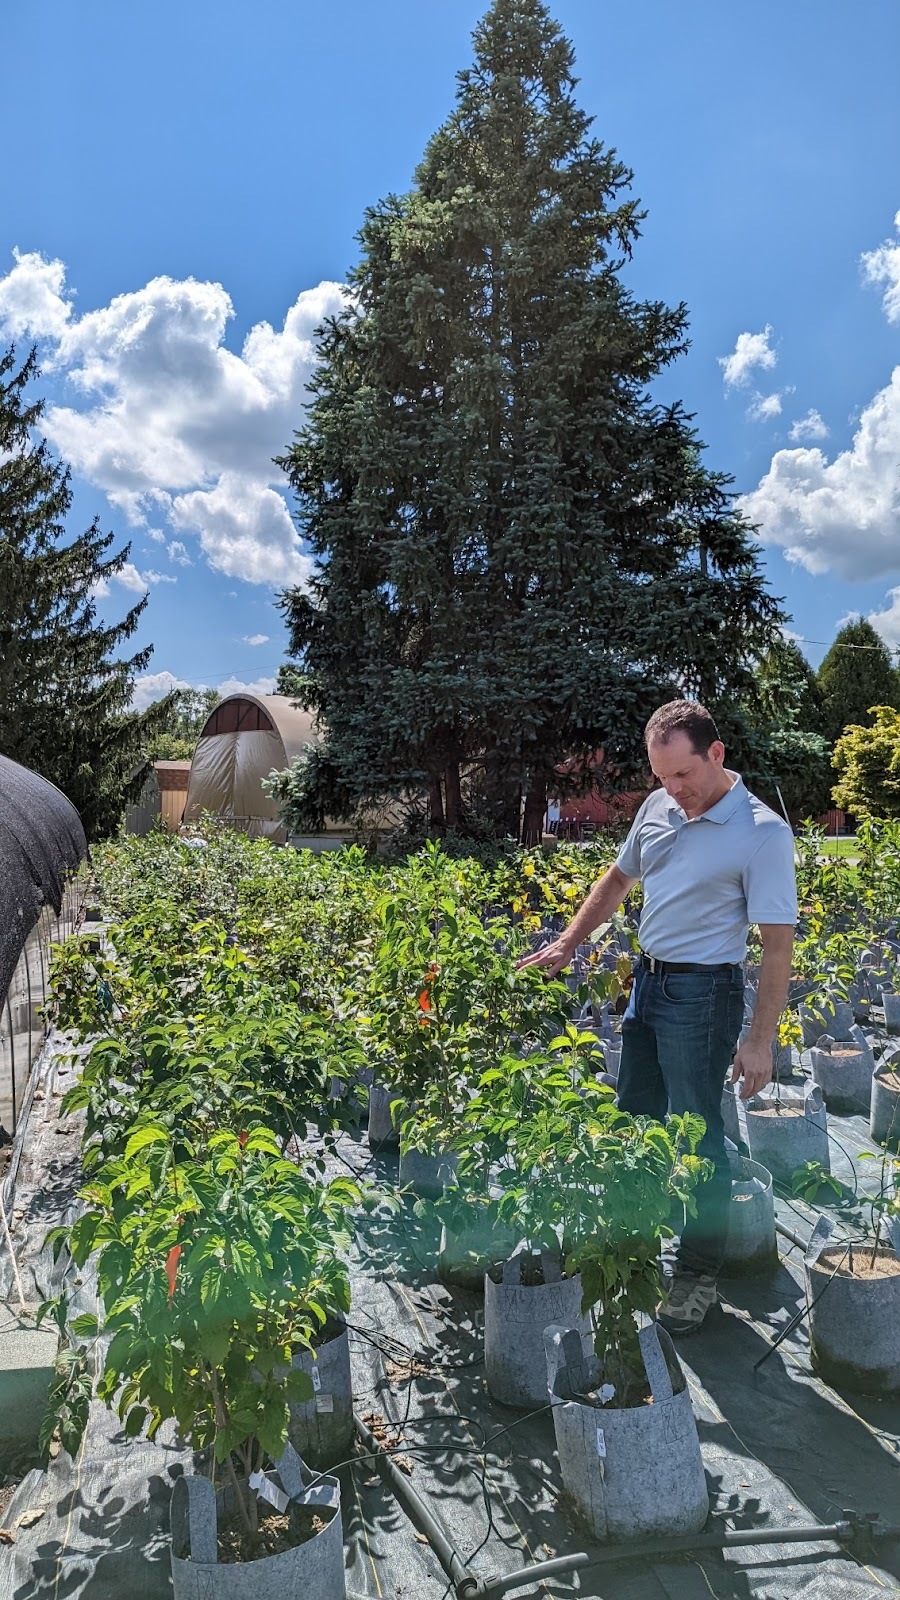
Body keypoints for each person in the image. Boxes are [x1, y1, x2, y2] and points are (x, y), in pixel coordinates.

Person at [517, 700, 797, 1335]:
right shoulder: (657, 807)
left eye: (683, 775)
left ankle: (697, 1274)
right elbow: (618, 880)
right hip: (647, 983)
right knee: (634, 1117)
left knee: (698, 1134)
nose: (673, 789)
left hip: (705, 994)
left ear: (716, 754)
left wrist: (760, 1040)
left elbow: (777, 946)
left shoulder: (762, 832)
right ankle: (634, 1242)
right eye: (662, 776)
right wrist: (568, 941)